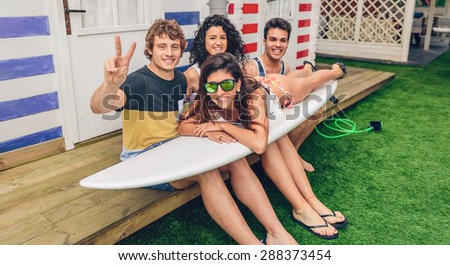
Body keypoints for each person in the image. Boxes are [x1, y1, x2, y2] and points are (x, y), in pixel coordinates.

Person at [90, 18, 297, 245]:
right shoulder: (137, 82)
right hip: (143, 158)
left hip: (176, 148)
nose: (169, 53)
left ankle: (276, 231)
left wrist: (211, 129)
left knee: (236, 160)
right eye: (162, 46)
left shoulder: (181, 80)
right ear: (149, 49)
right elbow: (99, 106)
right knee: (206, 172)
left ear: (182, 50)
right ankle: (253, 247)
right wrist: (111, 85)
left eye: (174, 47)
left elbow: (188, 117)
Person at [180, 53, 348, 240]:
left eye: (226, 84)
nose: (219, 93)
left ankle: (334, 71)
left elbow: (259, 145)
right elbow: (184, 126)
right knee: (276, 139)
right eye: (212, 86)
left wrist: (221, 125)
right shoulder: (206, 99)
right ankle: (303, 207)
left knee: (312, 82)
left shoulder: (253, 95)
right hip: (258, 107)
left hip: (277, 91)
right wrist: (210, 132)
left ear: (237, 83)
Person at [243, 17, 322, 172]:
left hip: (278, 114)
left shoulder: (285, 66)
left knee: (315, 113)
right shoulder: (252, 68)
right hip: (258, 121)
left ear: (287, 43)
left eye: (283, 40)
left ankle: (293, 153)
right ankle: (290, 157)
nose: (278, 45)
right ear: (264, 41)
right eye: (273, 39)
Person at [184, 14, 247, 101]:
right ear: (203, 41)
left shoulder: (235, 69)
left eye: (223, 38)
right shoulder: (193, 74)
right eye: (212, 38)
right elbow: (177, 106)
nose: (218, 42)